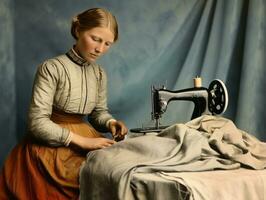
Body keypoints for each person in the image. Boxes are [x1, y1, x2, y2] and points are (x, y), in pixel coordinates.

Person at [0, 7, 128, 199]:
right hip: (50, 147)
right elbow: (37, 123)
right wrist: (83, 142)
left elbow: (98, 113)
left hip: (88, 138)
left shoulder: (99, 74)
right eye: (95, 39)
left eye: (107, 43)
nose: (100, 49)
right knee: (87, 177)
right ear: (78, 31)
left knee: (117, 171)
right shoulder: (51, 68)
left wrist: (110, 123)